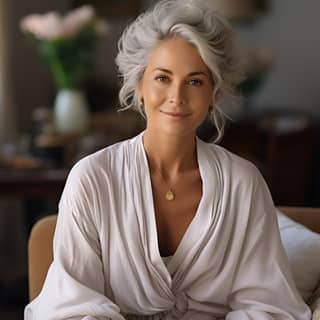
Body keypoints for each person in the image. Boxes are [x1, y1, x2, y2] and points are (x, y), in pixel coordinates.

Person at [24, 0, 311, 319]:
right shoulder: (92, 179)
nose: (177, 96)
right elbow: (73, 306)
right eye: (163, 77)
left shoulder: (243, 184)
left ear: (214, 94)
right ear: (139, 85)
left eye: (195, 81)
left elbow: (267, 305)